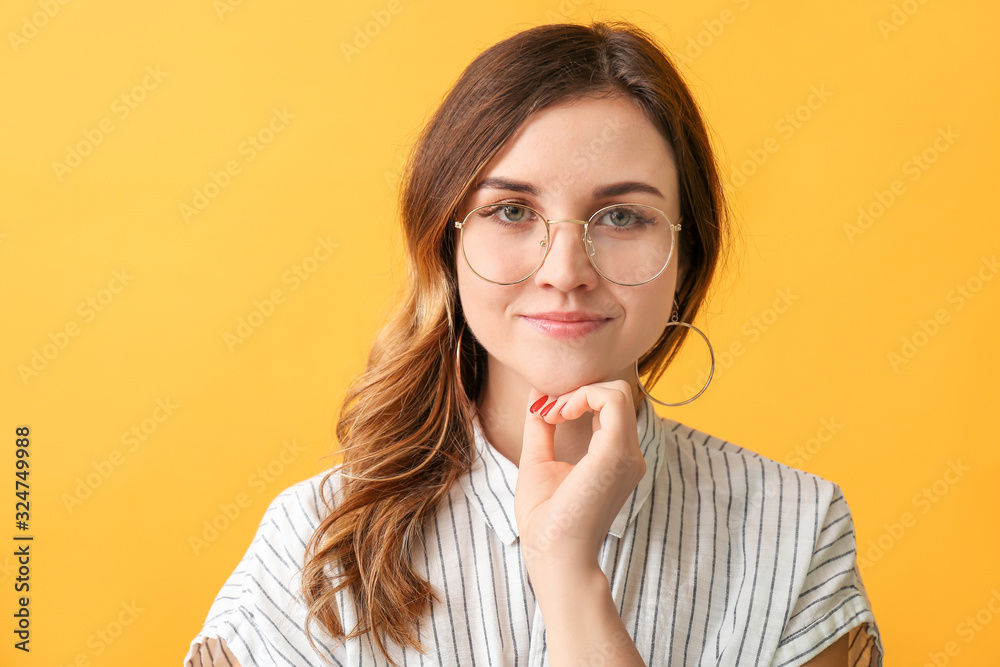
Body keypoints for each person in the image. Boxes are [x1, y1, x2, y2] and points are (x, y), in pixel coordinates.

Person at [184, 21, 883, 667]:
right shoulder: (317, 544)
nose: (564, 272)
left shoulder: (795, 527)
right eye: (512, 210)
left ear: (686, 255)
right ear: (446, 243)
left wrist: (569, 574)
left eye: (620, 216)